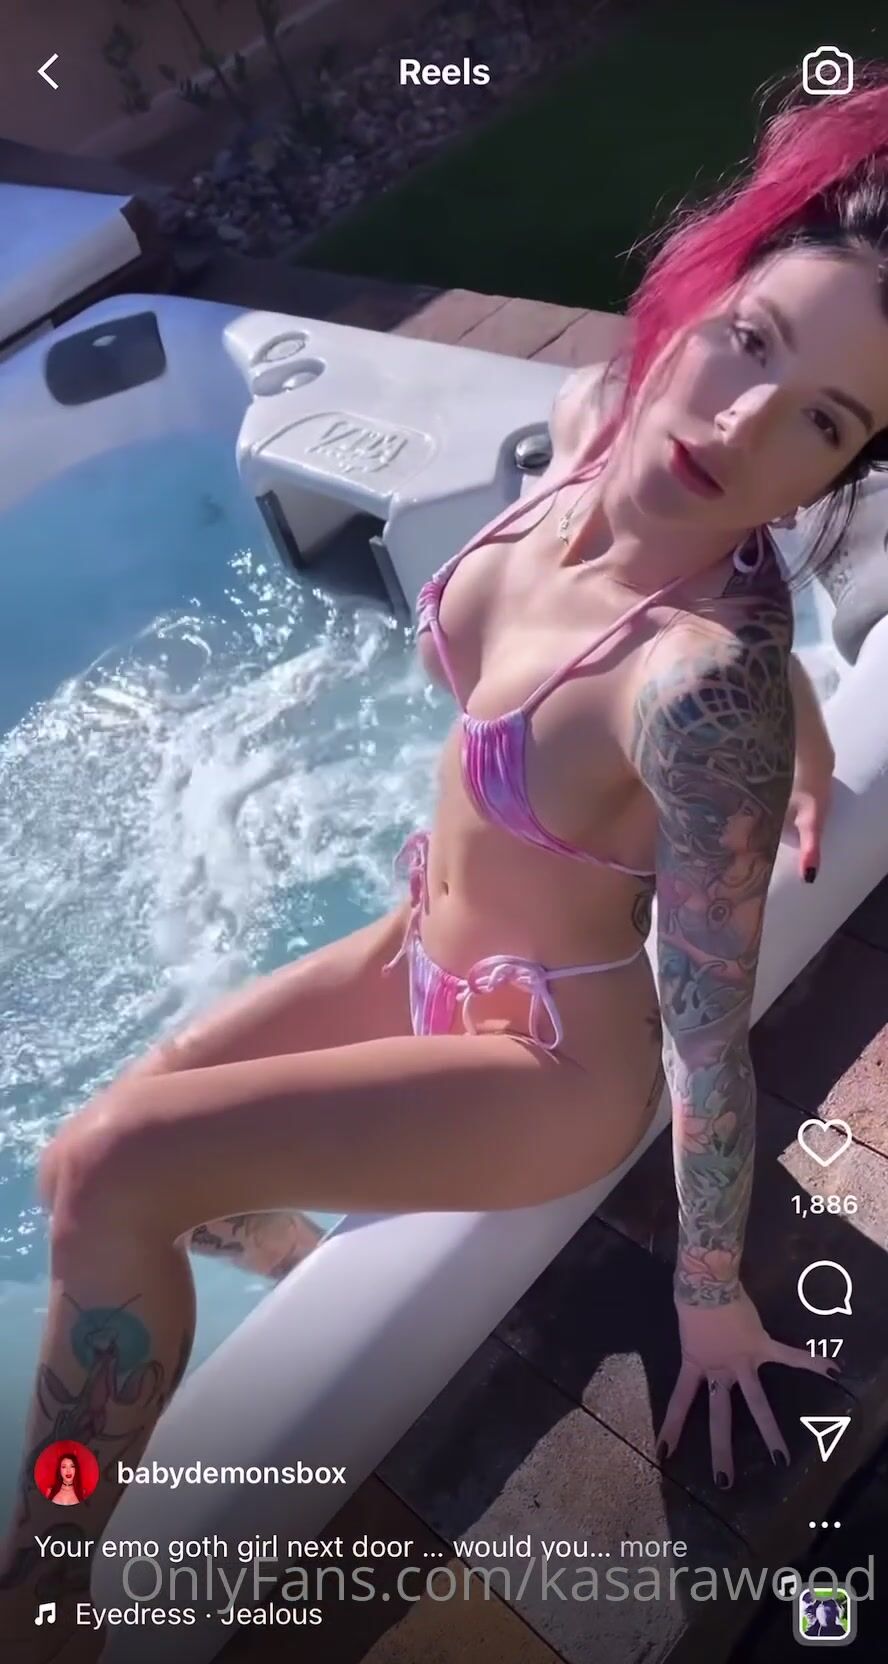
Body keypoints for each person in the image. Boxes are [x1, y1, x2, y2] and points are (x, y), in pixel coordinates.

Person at [5, 63, 888, 1657]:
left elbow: (709, 1033)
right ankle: (283, 1270)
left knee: (112, 1169)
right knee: (113, 1151)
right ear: (702, 294)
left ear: (844, 472)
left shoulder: (696, 691)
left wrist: (709, 1290)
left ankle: (43, 1591)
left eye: (822, 420)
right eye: (752, 341)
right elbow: (765, 597)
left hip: (545, 1064)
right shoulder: (594, 428)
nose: (741, 420)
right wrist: (819, 760)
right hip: (422, 948)